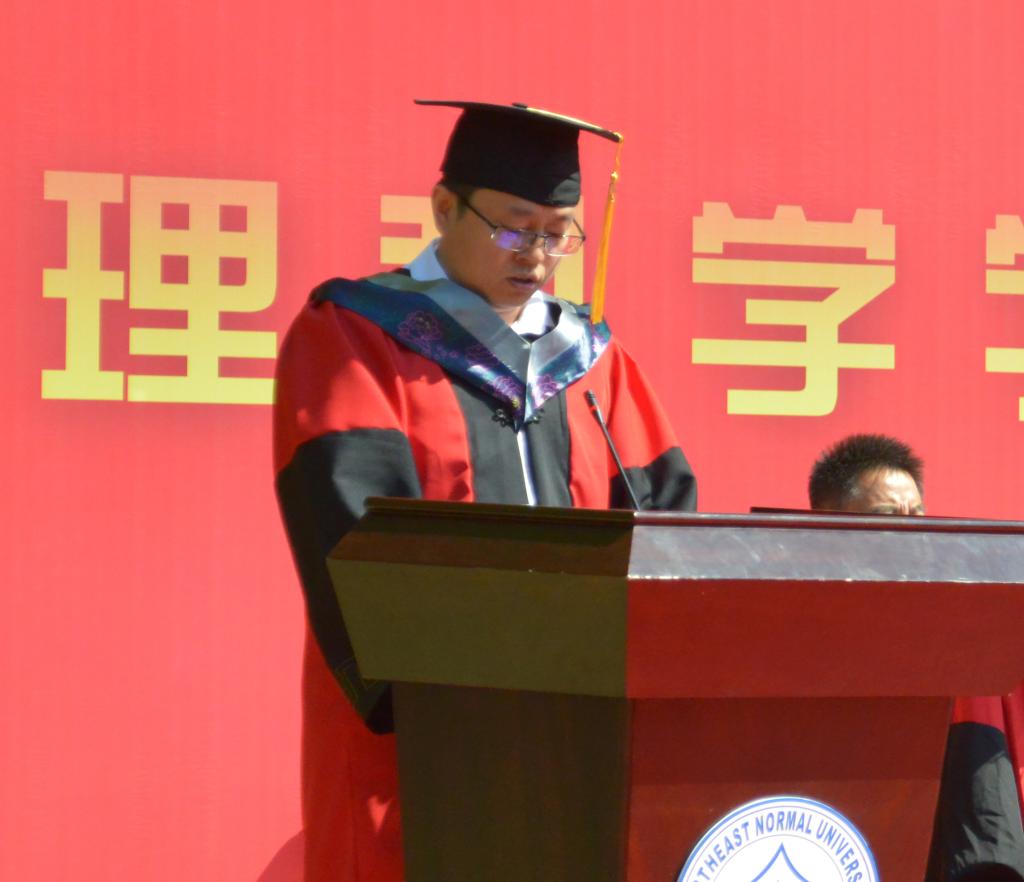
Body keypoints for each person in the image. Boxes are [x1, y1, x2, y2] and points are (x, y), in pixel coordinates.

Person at [274, 100, 697, 882]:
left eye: (558, 233)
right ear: (444, 207)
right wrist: (462, 695)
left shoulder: (593, 361)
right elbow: (350, 531)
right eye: (514, 227)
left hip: (578, 744)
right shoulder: (356, 335)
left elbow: (667, 527)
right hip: (422, 738)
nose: (536, 254)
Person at [809, 433, 1024, 882]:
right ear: (829, 522)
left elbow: (986, 814)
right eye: (889, 517)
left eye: (917, 515)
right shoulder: (795, 623)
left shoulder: (960, 631)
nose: (911, 531)